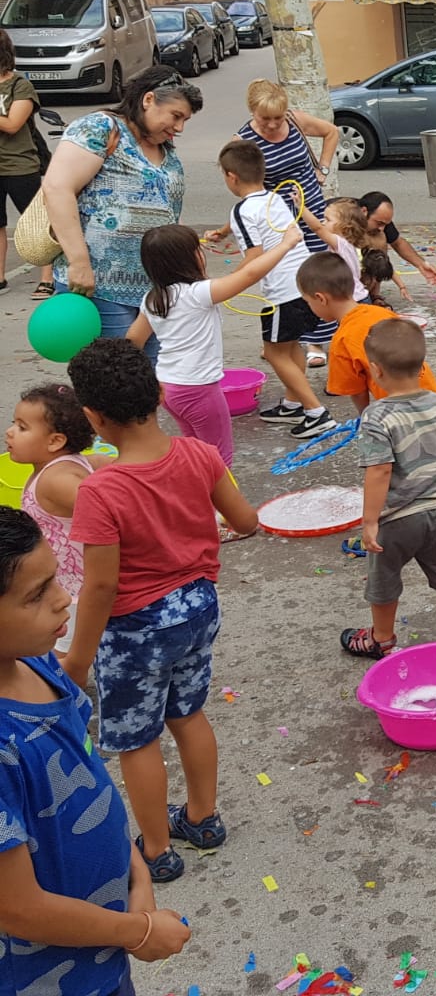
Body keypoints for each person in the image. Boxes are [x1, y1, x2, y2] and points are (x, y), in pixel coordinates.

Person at [62, 337, 259, 881]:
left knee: (135, 739)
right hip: (198, 607)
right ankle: (203, 819)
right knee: (188, 713)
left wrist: (77, 661)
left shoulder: (101, 490)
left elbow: (100, 588)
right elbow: (245, 522)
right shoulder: (199, 453)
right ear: (158, 395)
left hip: (136, 629)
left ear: (93, 417)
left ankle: (155, 850)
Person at [0, 507, 191, 990]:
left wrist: (135, 874)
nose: (65, 598)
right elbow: (18, 909)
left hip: (103, 949)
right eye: (37, 594)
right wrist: (140, 929)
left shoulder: (40, 665)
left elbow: (87, 778)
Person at [343, 318, 436, 659]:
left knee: (383, 581)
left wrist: (369, 522)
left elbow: (380, 470)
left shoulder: (376, 417)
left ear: (375, 370)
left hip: (397, 518)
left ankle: (381, 639)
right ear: (422, 366)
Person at [42, 65, 204, 355]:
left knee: (154, 379)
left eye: (185, 121)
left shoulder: (165, 147)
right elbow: (57, 188)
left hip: (154, 291)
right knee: (119, 380)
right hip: (101, 285)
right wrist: (79, 262)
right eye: (176, 116)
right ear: (149, 100)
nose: (179, 128)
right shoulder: (100, 128)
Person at [127, 220, 301, 467]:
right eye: (197, 250)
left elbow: (133, 340)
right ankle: (219, 505)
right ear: (189, 259)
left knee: (197, 452)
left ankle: (198, 499)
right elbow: (250, 274)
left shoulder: (153, 299)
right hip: (198, 390)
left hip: (167, 387)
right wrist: (286, 244)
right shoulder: (198, 294)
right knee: (219, 460)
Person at [221, 140, 334, 440]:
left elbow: (254, 257)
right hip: (307, 284)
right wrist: (222, 232)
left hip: (283, 292)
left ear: (231, 176)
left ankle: (315, 412)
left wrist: (221, 287)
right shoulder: (273, 198)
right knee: (290, 345)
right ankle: (292, 404)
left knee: (273, 352)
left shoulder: (241, 209)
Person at [234, 78, 338, 366]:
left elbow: (332, 132)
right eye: (264, 118)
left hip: (313, 210)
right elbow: (242, 185)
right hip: (278, 220)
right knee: (286, 280)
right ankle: (284, 340)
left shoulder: (295, 121)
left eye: (277, 118)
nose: (272, 124)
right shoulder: (243, 141)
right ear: (252, 111)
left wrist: (323, 169)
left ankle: (316, 341)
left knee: (316, 275)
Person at [5, 384, 99, 651]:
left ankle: (65, 689)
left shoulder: (57, 480)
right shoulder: (76, 462)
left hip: (78, 592)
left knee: (60, 658)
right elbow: (111, 462)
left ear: (55, 441)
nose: (10, 432)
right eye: (14, 424)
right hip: (64, 584)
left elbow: (110, 513)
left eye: (22, 428)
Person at [297, 252, 436, 413]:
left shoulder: (342, 339)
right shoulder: (381, 313)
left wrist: (365, 419)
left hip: (398, 413)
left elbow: (357, 391)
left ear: (321, 299)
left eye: (308, 302)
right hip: (434, 398)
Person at [0, 27, 52, 297]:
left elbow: (12, 124)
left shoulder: (20, 86)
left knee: (35, 223)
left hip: (20, 165)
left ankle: (48, 276)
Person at [357, 191, 436, 291]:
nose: (382, 228)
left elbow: (397, 242)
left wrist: (421, 264)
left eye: (385, 224)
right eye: (379, 223)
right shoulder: (342, 219)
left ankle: (374, 294)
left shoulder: (379, 222)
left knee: (379, 237)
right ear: (363, 212)